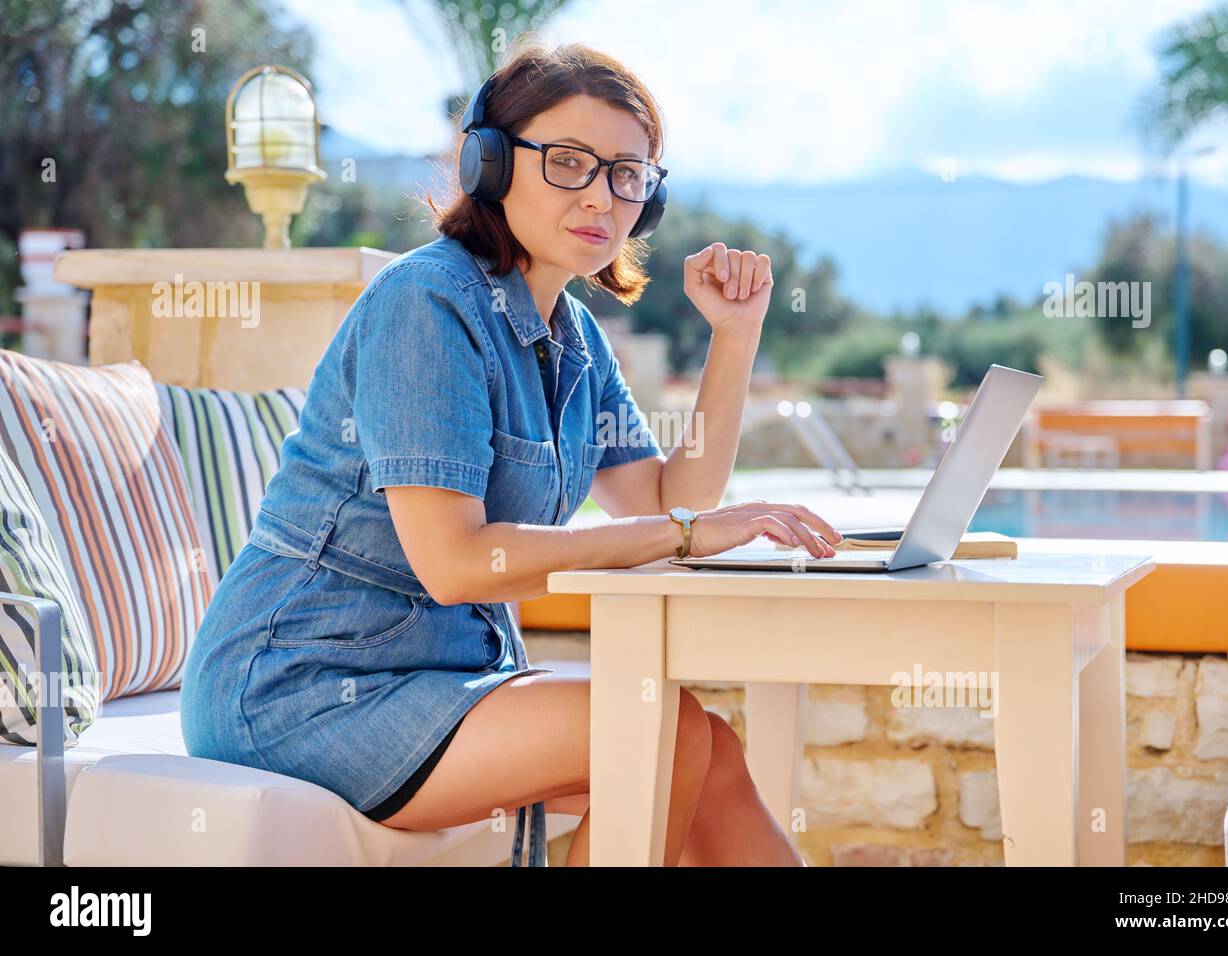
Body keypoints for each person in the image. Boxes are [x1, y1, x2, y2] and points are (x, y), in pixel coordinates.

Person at [179, 38, 842, 867]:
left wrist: (735, 337)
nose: (602, 195)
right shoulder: (426, 304)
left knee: (710, 753)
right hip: (297, 686)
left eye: (627, 174)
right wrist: (681, 535)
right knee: (664, 732)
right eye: (567, 161)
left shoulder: (577, 340)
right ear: (490, 163)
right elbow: (456, 564)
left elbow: (671, 495)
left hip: (443, 680)